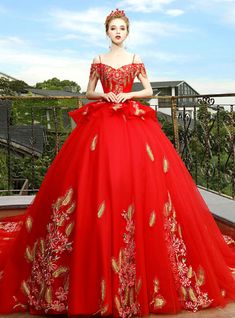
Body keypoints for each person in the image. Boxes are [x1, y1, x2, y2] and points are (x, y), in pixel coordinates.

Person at [0, 7, 235, 318]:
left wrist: (128, 95)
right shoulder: (98, 59)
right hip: (101, 123)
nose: (118, 32)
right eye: (113, 28)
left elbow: (150, 89)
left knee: (135, 181)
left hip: (131, 121)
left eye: (122, 28)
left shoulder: (136, 58)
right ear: (107, 31)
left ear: (128, 31)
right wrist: (104, 97)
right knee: (96, 181)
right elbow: (88, 92)